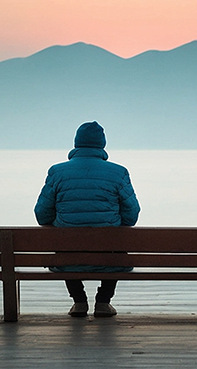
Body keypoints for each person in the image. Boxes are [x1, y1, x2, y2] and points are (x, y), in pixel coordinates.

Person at [34, 121, 140, 317]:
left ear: (76, 143)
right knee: (117, 244)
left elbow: (42, 214)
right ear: (102, 144)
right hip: (110, 258)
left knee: (64, 243)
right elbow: (131, 216)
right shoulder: (119, 172)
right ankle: (103, 302)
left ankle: (79, 301)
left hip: (67, 258)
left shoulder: (57, 172)